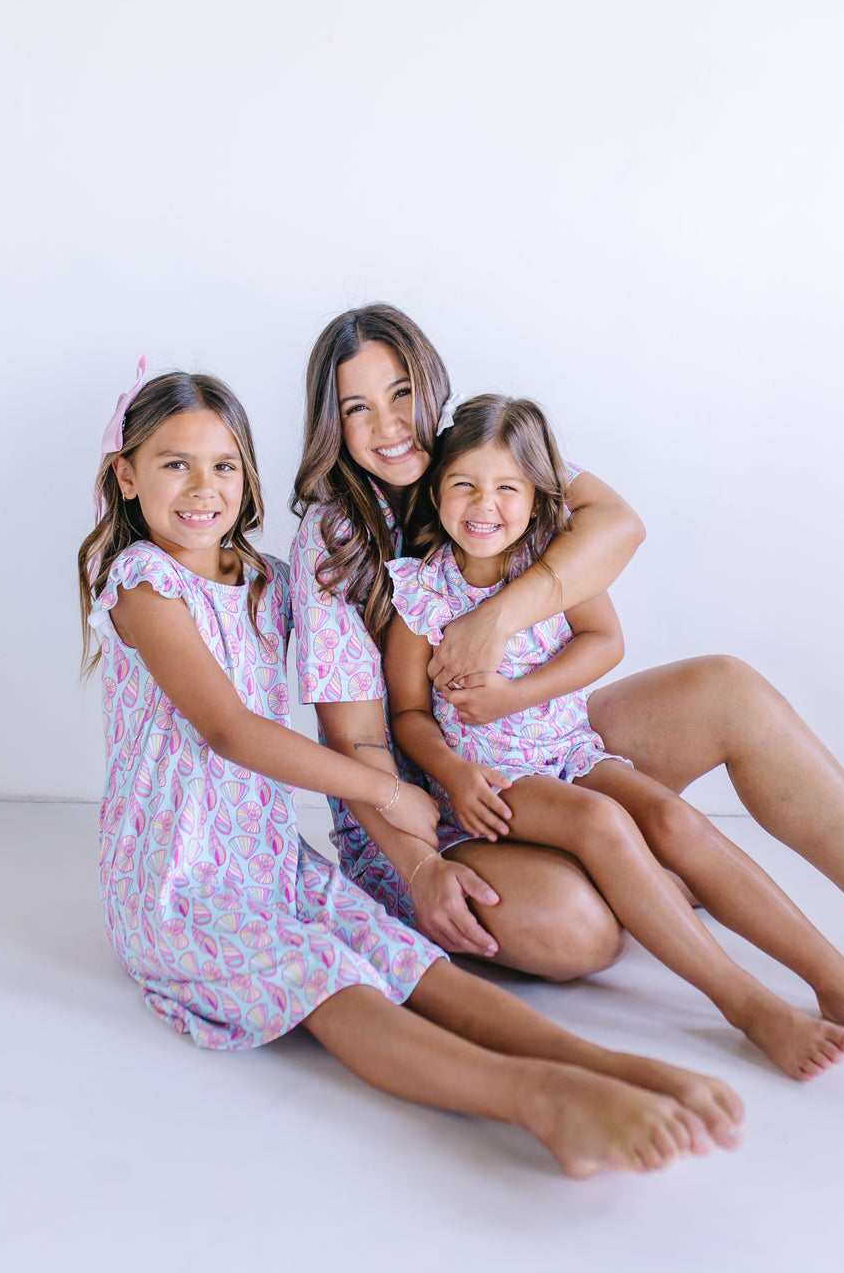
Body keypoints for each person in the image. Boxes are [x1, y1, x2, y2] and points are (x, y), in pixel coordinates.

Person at [77, 365, 745, 1178]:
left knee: (405, 959)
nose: (201, 487)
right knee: (334, 982)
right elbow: (231, 731)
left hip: (269, 860)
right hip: (181, 881)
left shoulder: (265, 582)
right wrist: (388, 792)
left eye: (222, 465)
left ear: (246, 474)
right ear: (126, 476)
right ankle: (537, 1098)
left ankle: (609, 1065)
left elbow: (594, 526)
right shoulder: (143, 585)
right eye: (174, 464)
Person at [289, 302, 844, 987]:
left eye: (402, 393)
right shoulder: (333, 538)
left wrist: (496, 619)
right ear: (331, 422)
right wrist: (419, 865)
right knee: (581, 932)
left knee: (728, 690)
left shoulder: (481, 448)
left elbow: (618, 525)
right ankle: (638, 878)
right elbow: (358, 741)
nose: (388, 425)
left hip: (541, 743)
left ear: (431, 385)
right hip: (420, 807)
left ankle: (645, 870)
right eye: (357, 408)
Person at [382, 393, 844, 1080]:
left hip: (572, 749)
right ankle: (748, 1005)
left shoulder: (550, 562)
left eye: (507, 488)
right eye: (464, 485)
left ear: (538, 497)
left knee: (673, 820)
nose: (485, 505)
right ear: (436, 492)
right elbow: (408, 716)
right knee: (603, 822)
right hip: (493, 779)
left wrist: (517, 694)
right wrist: (455, 775)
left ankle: (836, 979)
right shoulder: (420, 597)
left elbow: (604, 641)